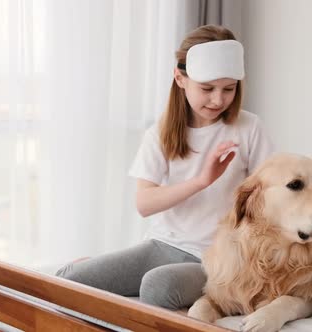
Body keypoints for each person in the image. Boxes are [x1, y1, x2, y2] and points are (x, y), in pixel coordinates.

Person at [56, 24, 275, 310]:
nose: (218, 99)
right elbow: (145, 203)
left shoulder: (249, 128)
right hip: (162, 246)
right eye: (207, 88)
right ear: (180, 78)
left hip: (217, 258)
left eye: (229, 89)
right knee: (66, 280)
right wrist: (201, 180)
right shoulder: (160, 133)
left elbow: (272, 195)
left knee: (158, 287)